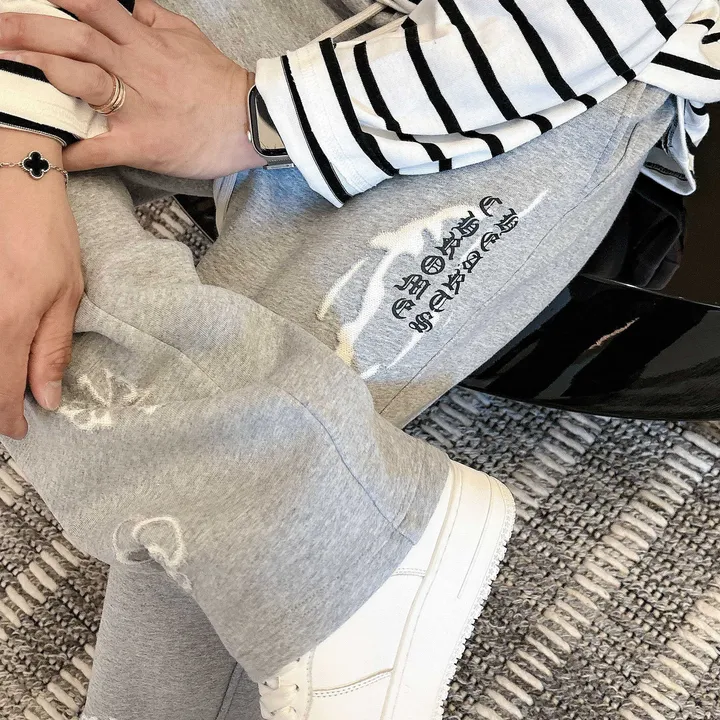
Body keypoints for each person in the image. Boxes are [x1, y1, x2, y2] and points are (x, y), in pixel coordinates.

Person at [0, 1, 717, 718]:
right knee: (259, 443)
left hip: (534, 61)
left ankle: (339, 523)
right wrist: (17, 150)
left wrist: (261, 113)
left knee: (265, 417)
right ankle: (359, 528)